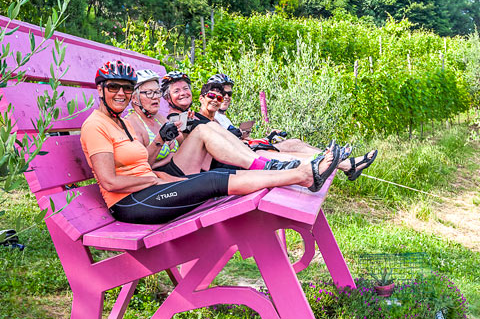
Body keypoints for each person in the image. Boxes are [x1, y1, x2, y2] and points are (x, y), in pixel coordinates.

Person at [80, 60, 342, 225]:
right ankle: (303, 175)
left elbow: (143, 165)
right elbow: (110, 182)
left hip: (150, 189)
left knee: (217, 175)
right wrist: (151, 178)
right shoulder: (95, 126)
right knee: (212, 181)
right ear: (100, 90)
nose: (121, 93)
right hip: (130, 204)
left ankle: (302, 172)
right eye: (114, 87)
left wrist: (162, 172)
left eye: (126, 88)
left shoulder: (121, 123)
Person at [128, 69, 301, 178]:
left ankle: (272, 164)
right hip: (174, 174)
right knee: (207, 130)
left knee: (210, 128)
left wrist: (186, 133)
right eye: (149, 93)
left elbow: (182, 146)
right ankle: (268, 165)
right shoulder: (141, 122)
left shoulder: (162, 118)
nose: (155, 97)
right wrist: (164, 140)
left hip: (195, 164)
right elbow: (143, 166)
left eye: (156, 92)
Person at [205, 73, 378, 181]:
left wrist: (267, 137)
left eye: (229, 94)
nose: (225, 97)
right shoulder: (210, 118)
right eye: (220, 94)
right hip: (242, 159)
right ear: (205, 96)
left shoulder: (222, 117)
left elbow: (240, 140)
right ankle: (345, 164)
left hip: (248, 150)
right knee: (290, 153)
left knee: (294, 142)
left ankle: (345, 163)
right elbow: (227, 145)